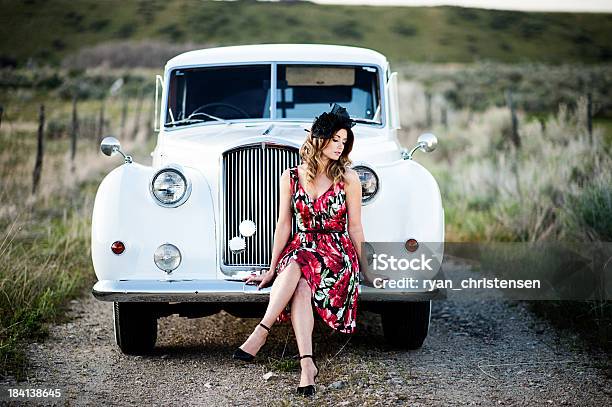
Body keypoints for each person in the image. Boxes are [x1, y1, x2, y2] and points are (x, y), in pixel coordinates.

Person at [232, 103, 365, 397]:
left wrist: (367, 269)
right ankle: (307, 364)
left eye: (344, 141)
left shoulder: (349, 179)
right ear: (320, 139)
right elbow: (283, 223)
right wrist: (270, 268)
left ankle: (261, 332)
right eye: (335, 139)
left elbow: (355, 228)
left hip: (335, 254)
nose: (340, 146)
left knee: (300, 262)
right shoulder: (291, 176)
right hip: (302, 247)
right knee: (300, 279)